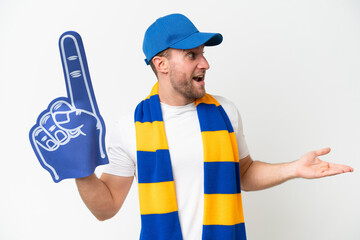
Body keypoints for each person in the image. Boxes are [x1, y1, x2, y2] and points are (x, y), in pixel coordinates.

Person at [75, 13, 353, 240]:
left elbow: (244, 173)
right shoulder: (129, 127)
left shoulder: (225, 113)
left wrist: (294, 168)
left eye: (203, 54)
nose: (205, 63)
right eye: (191, 55)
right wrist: (80, 169)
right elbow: (107, 207)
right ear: (162, 64)